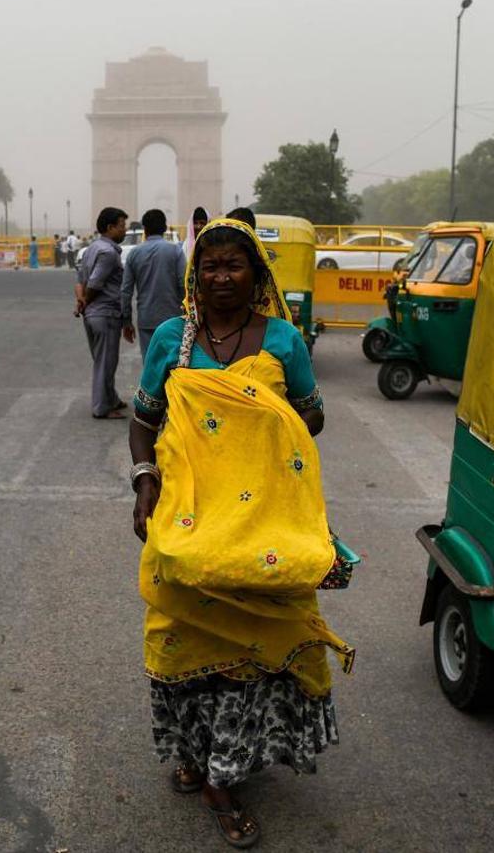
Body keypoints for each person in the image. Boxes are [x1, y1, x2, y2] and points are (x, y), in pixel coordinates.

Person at [129, 218, 354, 848]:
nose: (221, 277)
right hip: (188, 520)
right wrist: (144, 480)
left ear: (257, 275)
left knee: (250, 652)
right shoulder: (173, 340)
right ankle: (191, 752)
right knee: (181, 638)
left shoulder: (284, 339)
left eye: (234, 265)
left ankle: (219, 777)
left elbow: (312, 417)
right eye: (210, 266)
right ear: (193, 277)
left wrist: (268, 413)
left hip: (264, 524)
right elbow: (143, 421)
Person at [77, 206, 129, 419]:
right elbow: (96, 282)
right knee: (106, 362)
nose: (124, 230)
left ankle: (111, 398)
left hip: (92, 314)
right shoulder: (108, 253)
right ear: (110, 227)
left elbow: (80, 280)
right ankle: (102, 407)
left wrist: (81, 302)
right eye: (122, 226)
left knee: (103, 360)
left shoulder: (92, 248)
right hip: (105, 313)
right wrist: (86, 300)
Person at [121, 208, 186, 361]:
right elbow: (184, 284)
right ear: (164, 227)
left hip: (147, 318)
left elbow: (125, 291)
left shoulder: (134, 254)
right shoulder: (175, 251)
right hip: (173, 319)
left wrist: (126, 321)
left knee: (150, 364)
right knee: (173, 364)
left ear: (145, 229)